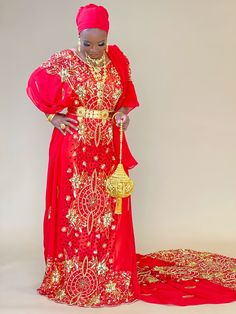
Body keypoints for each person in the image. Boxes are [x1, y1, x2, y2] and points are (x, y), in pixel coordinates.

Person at [26, 3, 236, 308]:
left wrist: (123, 115)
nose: (95, 49)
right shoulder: (64, 62)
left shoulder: (117, 62)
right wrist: (53, 118)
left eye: (101, 43)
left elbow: (124, 101)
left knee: (109, 208)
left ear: (107, 37)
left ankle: (109, 270)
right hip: (73, 149)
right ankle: (72, 272)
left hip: (109, 147)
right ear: (78, 35)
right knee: (74, 211)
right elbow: (34, 86)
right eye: (88, 43)